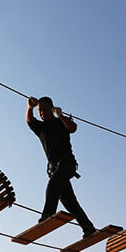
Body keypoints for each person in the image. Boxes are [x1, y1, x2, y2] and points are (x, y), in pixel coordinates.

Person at [26, 96, 96, 238]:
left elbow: (73, 128)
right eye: (40, 111)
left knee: (52, 186)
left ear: (51, 109)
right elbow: (29, 120)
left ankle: (47, 215)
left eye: (44, 110)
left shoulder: (60, 123)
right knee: (70, 203)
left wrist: (61, 115)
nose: (41, 113)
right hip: (54, 170)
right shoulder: (41, 128)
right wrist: (30, 107)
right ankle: (89, 229)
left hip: (67, 164)